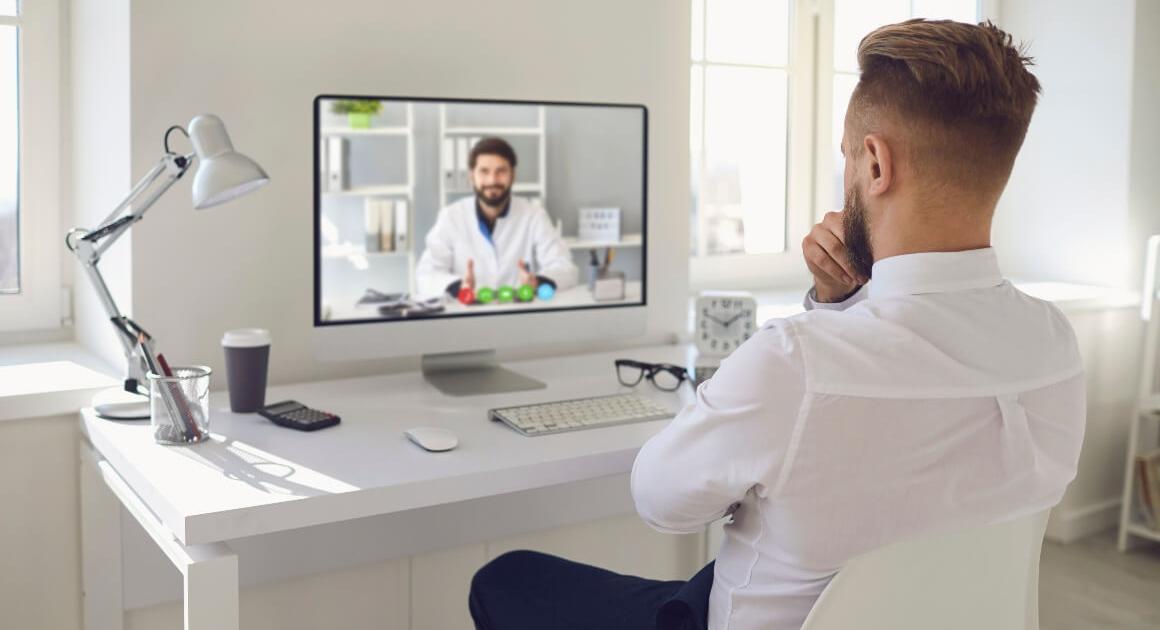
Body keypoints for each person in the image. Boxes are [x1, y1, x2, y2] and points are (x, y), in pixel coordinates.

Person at [467, 19, 1086, 630]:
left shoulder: (795, 362)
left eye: (847, 156)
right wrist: (841, 304)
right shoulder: (1056, 347)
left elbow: (661, 501)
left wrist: (815, 335)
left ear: (875, 164)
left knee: (506, 577)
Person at [415, 137, 578, 298]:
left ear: (513, 175)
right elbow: (427, 273)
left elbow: (565, 267)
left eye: (501, 171)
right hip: (466, 316)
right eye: (484, 171)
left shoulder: (534, 216)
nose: (492, 180)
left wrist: (537, 282)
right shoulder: (451, 217)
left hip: (519, 314)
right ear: (472, 176)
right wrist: (458, 287)